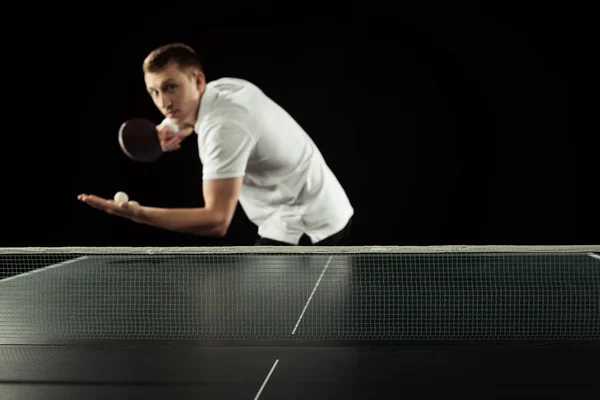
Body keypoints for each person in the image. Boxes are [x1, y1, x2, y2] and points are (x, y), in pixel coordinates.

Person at [78, 43, 353, 246]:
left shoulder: (224, 130)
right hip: (305, 202)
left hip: (310, 221)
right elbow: (192, 116)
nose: (163, 102)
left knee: (279, 315)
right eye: (154, 92)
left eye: (171, 87)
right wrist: (172, 128)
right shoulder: (224, 89)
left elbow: (216, 221)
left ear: (198, 81)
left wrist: (137, 214)